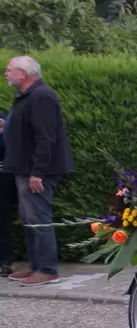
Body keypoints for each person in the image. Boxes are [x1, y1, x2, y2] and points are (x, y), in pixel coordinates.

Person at [2, 56, 74, 286]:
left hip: (35, 171)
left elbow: (46, 138)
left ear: (23, 73)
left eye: (10, 70)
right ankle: (35, 265)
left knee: (39, 219)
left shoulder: (41, 97)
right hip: (23, 169)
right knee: (29, 219)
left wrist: (38, 172)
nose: (6, 73)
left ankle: (48, 269)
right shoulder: (27, 96)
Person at [0, 109, 17, 277]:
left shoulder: (3, 117)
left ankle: (5, 261)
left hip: (3, 178)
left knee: (2, 221)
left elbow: (7, 146)